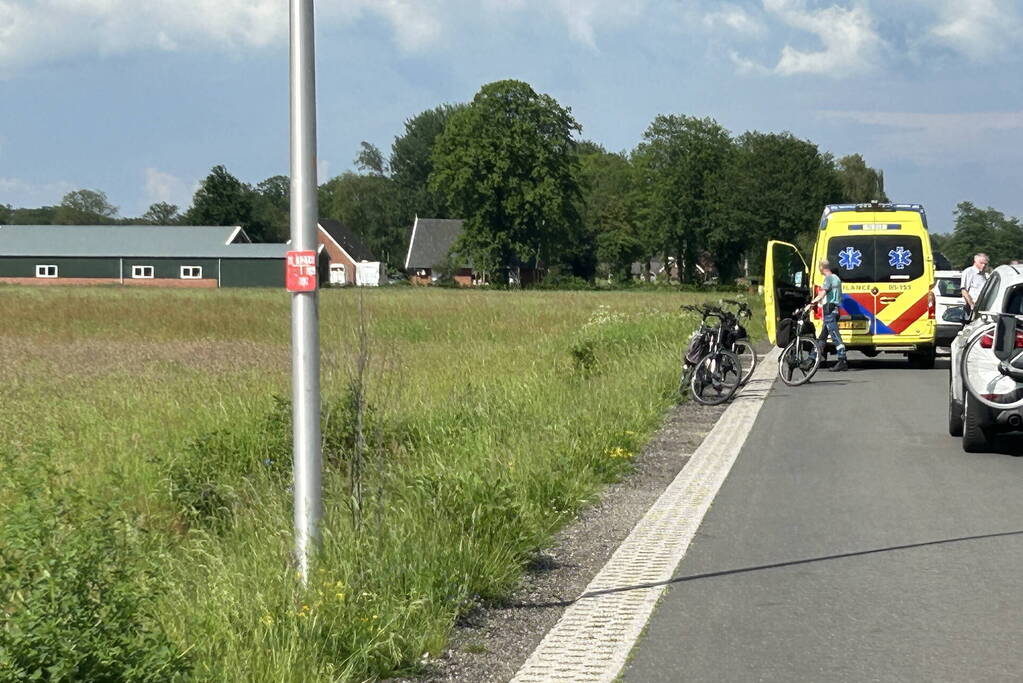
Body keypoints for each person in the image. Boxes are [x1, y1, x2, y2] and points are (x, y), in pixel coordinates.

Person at [811, 259, 848, 372]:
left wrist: (812, 303)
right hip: (835, 310)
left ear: (822, 268)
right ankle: (812, 358)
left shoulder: (828, 279)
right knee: (822, 337)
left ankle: (842, 360)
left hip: (830, 310)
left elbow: (823, 293)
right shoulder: (837, 278)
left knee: (835, 336)